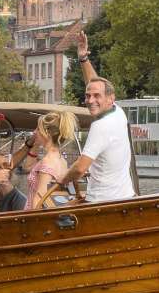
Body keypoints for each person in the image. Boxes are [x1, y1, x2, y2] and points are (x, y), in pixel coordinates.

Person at [57, 31, 136, 202]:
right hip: (125, 197)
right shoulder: (118, 111)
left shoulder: (100, 126)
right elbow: (95, 84)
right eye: (87, 96)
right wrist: (83, 58)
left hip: (102, 202)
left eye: (96, 97)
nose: (90, 100)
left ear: (109, 98)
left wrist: (62, 179)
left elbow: (79, 168)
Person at [26, 111, 78, 209]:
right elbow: (27, 167)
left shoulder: (47, 161)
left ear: (47, 133)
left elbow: (39, 198)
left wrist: (30, 222)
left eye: (38, 129)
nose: (34, 132)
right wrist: (36, 144)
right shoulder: (62, 160)